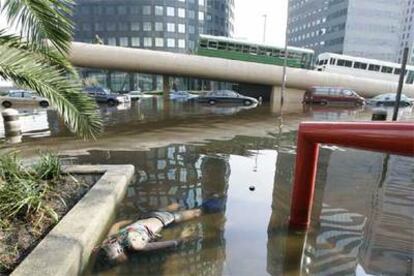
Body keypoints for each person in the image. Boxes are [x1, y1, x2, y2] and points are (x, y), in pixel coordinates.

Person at [95, 203, 202, 265]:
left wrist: (182, 238)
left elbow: (167, 244)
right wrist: (132, 221)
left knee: (196, 213)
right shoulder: (111, 238)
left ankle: (210, 205)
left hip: (163, 219)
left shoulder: (137, 245)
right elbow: (116, 224)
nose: (119, 262)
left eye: (117, 260)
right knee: (172, 208)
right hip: (145, 216)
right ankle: (171, 207)